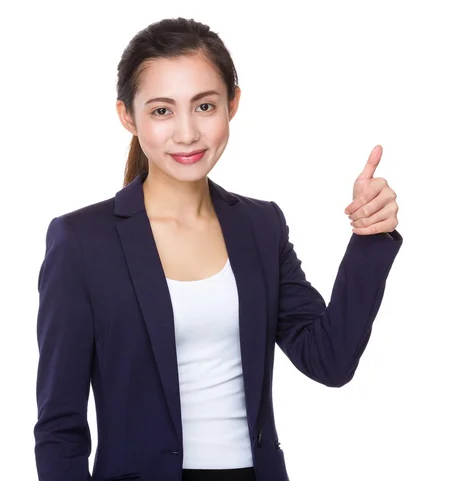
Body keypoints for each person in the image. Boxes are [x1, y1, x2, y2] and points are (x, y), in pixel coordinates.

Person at [33, 17, 403, 481]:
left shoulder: (260, 225)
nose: (187, 133)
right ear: (128, 116)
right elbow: (59, 427)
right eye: (162, 111)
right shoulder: (82, 241)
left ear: (233, 104)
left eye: (205, 106)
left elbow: (328, 360)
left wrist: (369, 239)